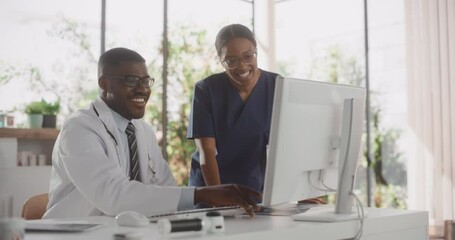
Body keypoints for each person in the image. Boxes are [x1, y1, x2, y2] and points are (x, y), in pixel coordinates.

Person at [43, 47, 261, 219]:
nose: (142, 89)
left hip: (126, 231)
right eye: (131, 81)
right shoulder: (80, 129)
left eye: (146, 81)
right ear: (104, 83)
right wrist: (203, 194)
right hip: (75, 233)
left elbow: (165, 188)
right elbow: (114, 196)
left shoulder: (142, 131)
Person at [186, 24, 280, 194]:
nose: (242, 66)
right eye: (232, 61)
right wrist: (219, 196)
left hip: (256, 189)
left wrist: (302, 194)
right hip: (211, 186)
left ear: (256, 52)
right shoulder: (206, 90)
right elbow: (206, 151)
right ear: (221, 61)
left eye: (248, 56)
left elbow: (290, 144)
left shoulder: (277, 86)